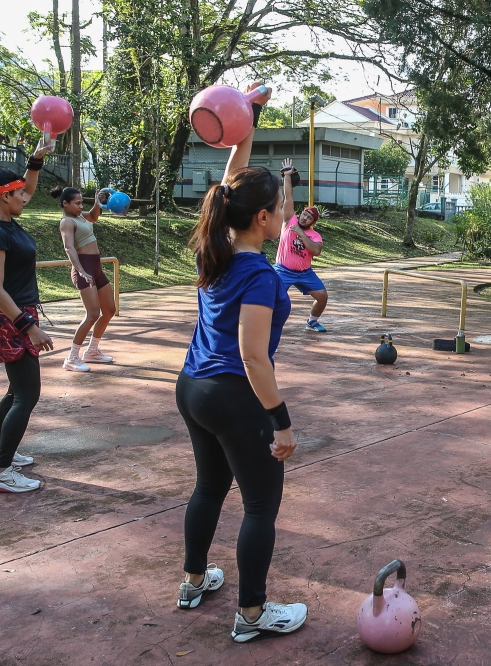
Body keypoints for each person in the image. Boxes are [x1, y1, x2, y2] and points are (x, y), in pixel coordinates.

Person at [174, 82, 307, 643]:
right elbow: (254, 356)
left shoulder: (219, 248)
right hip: (234, 395)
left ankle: (193, 581)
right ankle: (252, 615)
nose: (283, 216)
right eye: (277, 209)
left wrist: (245, 120)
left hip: (193, 388)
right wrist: (280, 420)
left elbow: (234, 180)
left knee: (208, 488)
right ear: (260, 219)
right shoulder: (256, 273)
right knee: (260, 505)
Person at [0, 146, 56, 492]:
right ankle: (1, 474)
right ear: (4, 197)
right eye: (19, 193)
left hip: (17, 314)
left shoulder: (4, 218)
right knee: (27, 395)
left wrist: (36, 161)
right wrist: (29, 326)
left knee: (16, 390)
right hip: (9, 318)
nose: (27, 196)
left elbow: (29, 188)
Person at [54, 185, 117, 372]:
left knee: (109, 310)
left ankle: (92, 351)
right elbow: (69, 248)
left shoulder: (81, 216)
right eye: (77, 203)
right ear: (65, 204)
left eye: (82, 202)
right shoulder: (67, 222)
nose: (81, 206)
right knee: (92, 314)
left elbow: (94, 216)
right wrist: (80, 270)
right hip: (84, 268)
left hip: (96, 267)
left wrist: (97, 201)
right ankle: (72, 357)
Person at [272, 158, 329, 332]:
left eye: (309, 217)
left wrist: (301, 233)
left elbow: (316, 251)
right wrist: (288, 176)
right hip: (283, 270)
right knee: (272, 297)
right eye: (304, 214)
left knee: (322, 296)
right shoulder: (290, 219)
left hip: (305, 273)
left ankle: (312, 322)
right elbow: (288, 196)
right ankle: (268, 325)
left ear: (313, 222)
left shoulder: (314, 235)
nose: (304, 217)